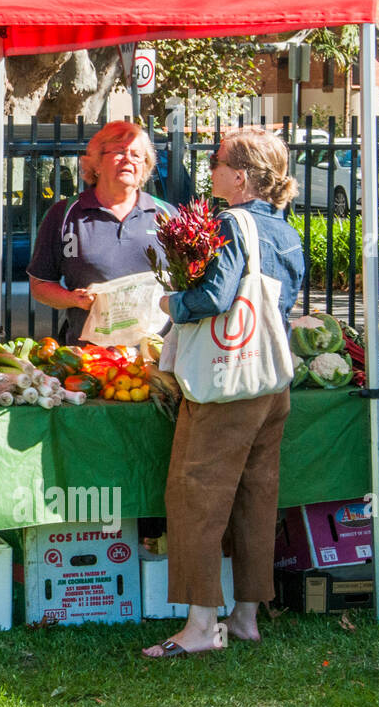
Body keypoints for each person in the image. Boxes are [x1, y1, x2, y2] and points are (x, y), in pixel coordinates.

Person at [142, 126, 305, 658]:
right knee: (256, 498)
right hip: (270, 382)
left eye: (215, 162)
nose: (208, 171)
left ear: (239, 175)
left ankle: (199, 626)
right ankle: (245, 617)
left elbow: (215, 296)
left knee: (195, 496)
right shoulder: (285, 230)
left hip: (227, 382)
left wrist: (172, 304)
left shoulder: (232, 223)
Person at [27, 121, 175, 340]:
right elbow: (40, 284)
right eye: (119, 152)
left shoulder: (167, 215)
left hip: (155, 355)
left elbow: (189, 284)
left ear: (145, 167)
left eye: (136, 155)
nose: (128, 159)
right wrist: (72, 299)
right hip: (91, 358)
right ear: (96, 163)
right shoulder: (65, 214)